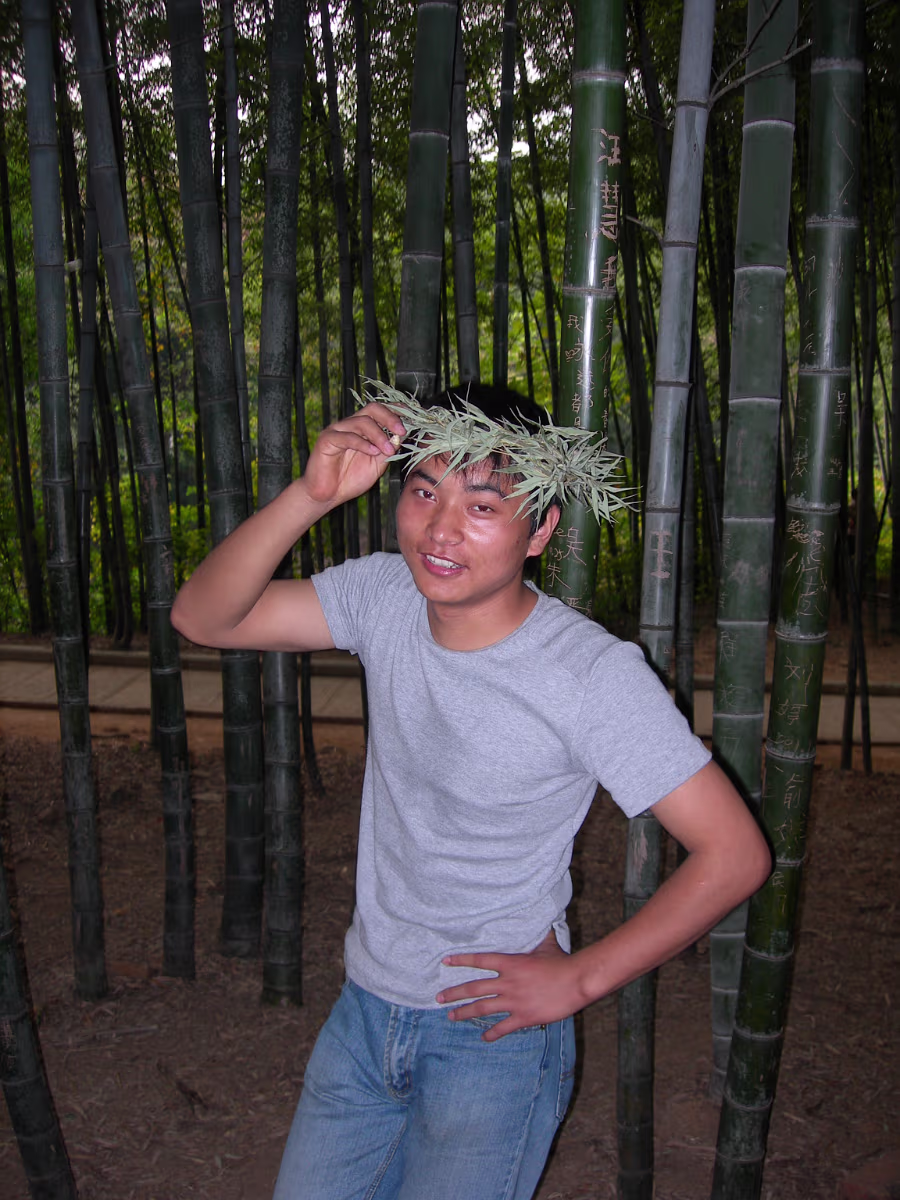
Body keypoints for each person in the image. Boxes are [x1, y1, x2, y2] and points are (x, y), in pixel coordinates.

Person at [171, 383, 771, 1200]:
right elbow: (203, 617)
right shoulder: (384, 597)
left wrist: (580, 979)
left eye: (483, 506)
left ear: (541, 530)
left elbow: (734, 854)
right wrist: (309, 495)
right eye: (425, 493)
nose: (442, 530)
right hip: (365, 1010)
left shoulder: (588, 675)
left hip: (490, 1036)